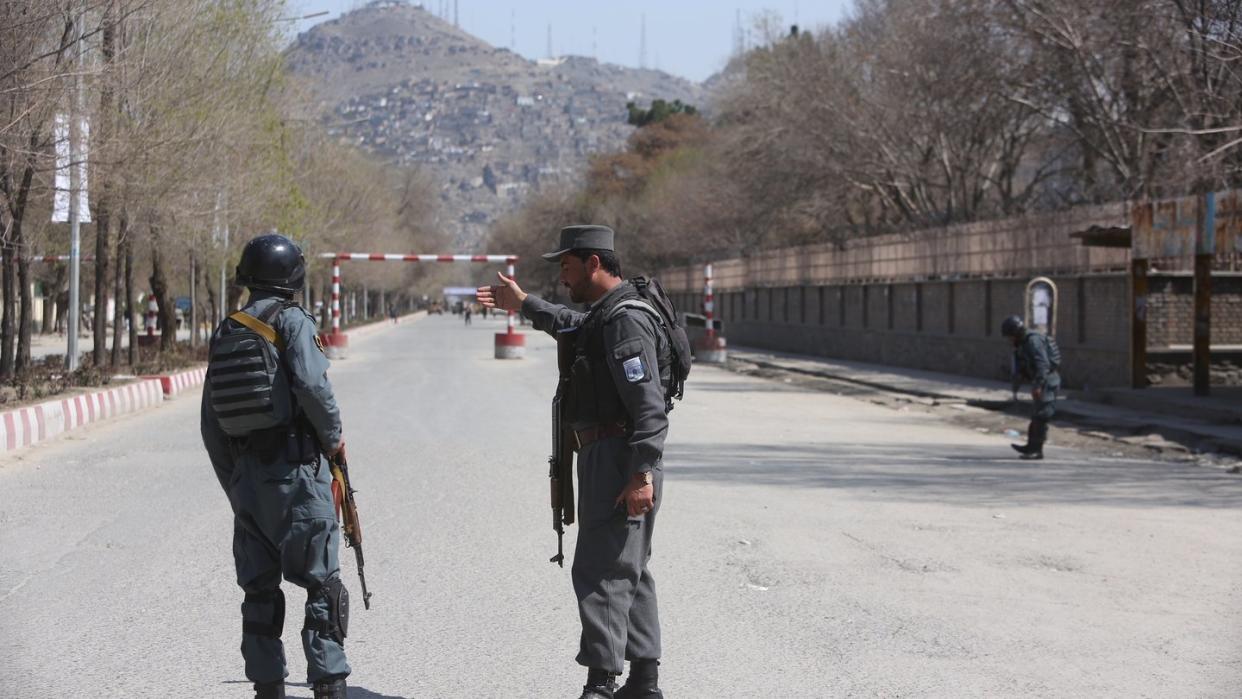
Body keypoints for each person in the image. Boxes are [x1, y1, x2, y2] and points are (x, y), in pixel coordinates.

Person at [477, 225, 671, 699]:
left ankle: (601, 683)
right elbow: (568, 323)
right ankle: (643, 682)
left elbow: (649, 406)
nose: (562, 276)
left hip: (622, 457)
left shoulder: (624, 321)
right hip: (613, 454)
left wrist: (641, 472)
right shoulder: (605, 315)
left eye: (566, 265)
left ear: (593, 263)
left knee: (600, 571)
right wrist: (522, 303)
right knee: (629, 567)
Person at [200, 233, 353, 699]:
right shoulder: (290, 321)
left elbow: (212, 426)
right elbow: (312, 385)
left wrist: (238, 484)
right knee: (323, 589)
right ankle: (328, 687)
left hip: (247, 480)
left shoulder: (228, 330)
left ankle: (267, 689)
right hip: (298, 476)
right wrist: (334, 440)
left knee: (259, 597)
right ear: (291, 276)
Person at [1002, 314, 1060, 460]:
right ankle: (1030, 446)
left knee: (1042, 416)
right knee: (1036, 415)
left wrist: (1038, 385)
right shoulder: (1022, 343)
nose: (1010, 340)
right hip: (1039, 381)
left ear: (1016, 333)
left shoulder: (1033, 341)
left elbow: (1042, 365)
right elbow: (1022, 365)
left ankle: (1037, 450)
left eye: (1010, 336)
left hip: (1047, 381)